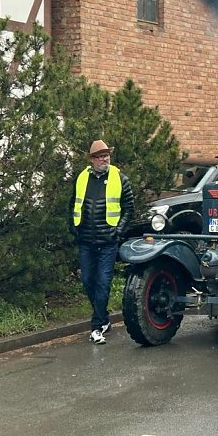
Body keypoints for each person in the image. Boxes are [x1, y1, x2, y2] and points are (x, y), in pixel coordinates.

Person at [70, 140, 135, 344]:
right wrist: (73, 228)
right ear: (92, 160)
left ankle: (96, 327)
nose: (104, 159)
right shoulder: (82, 178)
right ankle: (104, 317)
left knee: (104, 283)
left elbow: (129, 209)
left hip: (108, 241)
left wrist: (118, 231)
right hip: (86, 240)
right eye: (100, 156)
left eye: (107, 155)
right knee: (88, 280)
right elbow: (73, 203)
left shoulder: (120, 179)